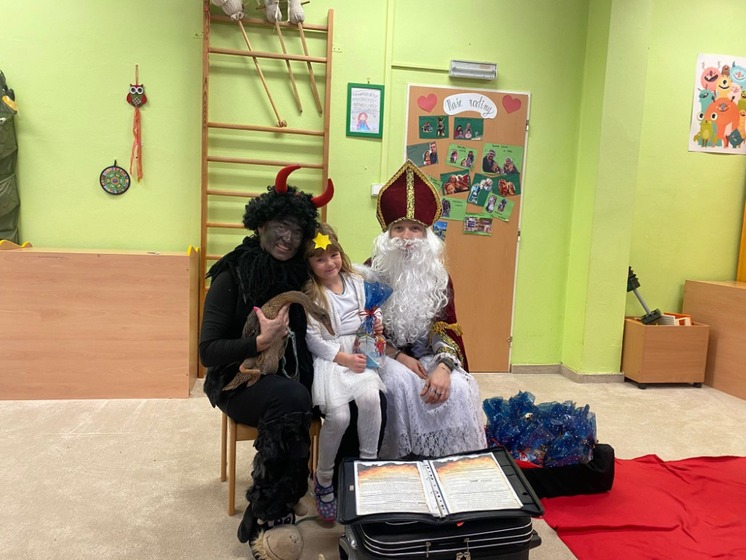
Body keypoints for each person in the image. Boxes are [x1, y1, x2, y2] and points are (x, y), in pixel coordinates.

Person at [198, 165, 334, 560]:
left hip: (295, 374)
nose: (288, 238)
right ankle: (267, 514)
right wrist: (257, 341)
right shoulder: (233, 274)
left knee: (350, 398)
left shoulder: (303, 274)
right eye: (280, 226)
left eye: (297, 231)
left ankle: (335, 493)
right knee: (291, 398)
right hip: (239, 380)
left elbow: (341, 284)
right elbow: (207, 352)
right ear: (261, 224)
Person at [370, 160, 487, 460]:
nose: (407, 237)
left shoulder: (438, 276)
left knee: (460, 388)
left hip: (427, 354)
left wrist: (444, 368)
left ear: (427, 235)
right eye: (398, 228)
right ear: (387, 234)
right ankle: (401, 462)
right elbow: (362, 332)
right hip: (384, 355)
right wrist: (398, 356)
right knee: (398, 385)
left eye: (415, 229)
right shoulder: (371, 272)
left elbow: (445, 329)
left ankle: (449, 461)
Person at [303, 223, 385, 522]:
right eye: (320, 259)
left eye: (333, 255)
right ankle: (324, 478)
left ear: (341, 253)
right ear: (309, 263)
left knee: (371, 399)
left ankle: (367, 467)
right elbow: (312, 338)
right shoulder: (312, 294)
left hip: (359, 352)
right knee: (339, 417)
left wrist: (377, 322)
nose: (329, 263)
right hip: (332, 359)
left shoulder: (356, 281)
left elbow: (372, 312)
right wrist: (342, 358)